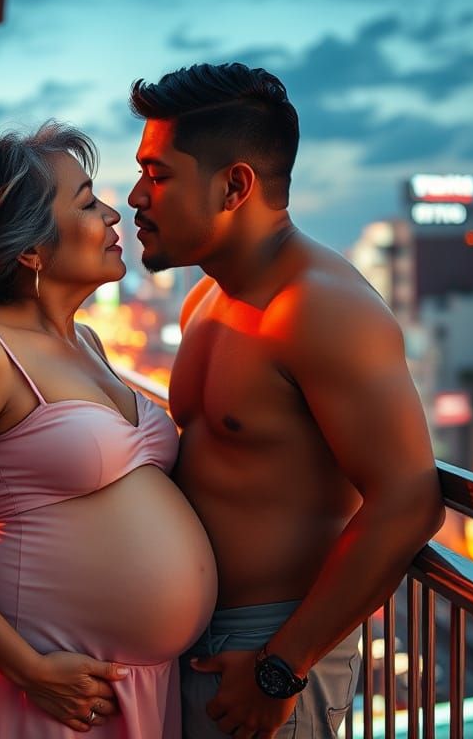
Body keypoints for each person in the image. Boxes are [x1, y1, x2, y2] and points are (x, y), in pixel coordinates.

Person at [123, 62, 445, 738]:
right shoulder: (204, 301)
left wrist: (283, 665)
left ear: (234, 185)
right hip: (192, 643)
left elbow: (409, 501)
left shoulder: (321, 310)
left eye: (158, 175)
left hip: (265, 653)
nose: (135, 196)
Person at [0, 122, 218, 738]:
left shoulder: (85, 340)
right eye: (87, 202)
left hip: (126, 680)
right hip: (37, 682)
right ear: (31, 249)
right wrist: (29, 669)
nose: (113, 214)